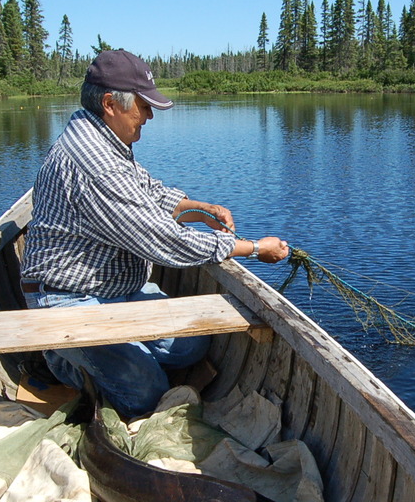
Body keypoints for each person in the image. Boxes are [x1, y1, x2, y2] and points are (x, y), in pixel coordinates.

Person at [20, 49, 289, 418]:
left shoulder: (103, 136)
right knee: (148, 393)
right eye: (143, 106)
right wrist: (255, 248)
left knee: (189, 349)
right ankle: (59, 358)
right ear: (111, 103)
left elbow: (148, 191)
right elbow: (165, 241)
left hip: (115, 288)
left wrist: (200, 209)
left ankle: (114, 352)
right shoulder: (95, 162)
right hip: (68, 298)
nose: (148, 116)